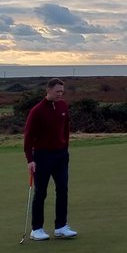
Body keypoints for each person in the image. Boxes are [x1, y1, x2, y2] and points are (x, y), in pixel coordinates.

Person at [23, 78, 78, 241]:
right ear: (48, 91)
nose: (60, 94)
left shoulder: (63, 106)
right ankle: (36, 229)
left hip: (61, 155)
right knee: (41, 192)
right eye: (57, 92)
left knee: (62, 190)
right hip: (42, 156)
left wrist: (65, 148)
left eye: (62, 91)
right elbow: (28, 137)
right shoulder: (37, 110)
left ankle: (61, 227)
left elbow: (66, 129)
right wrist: (30, 159)